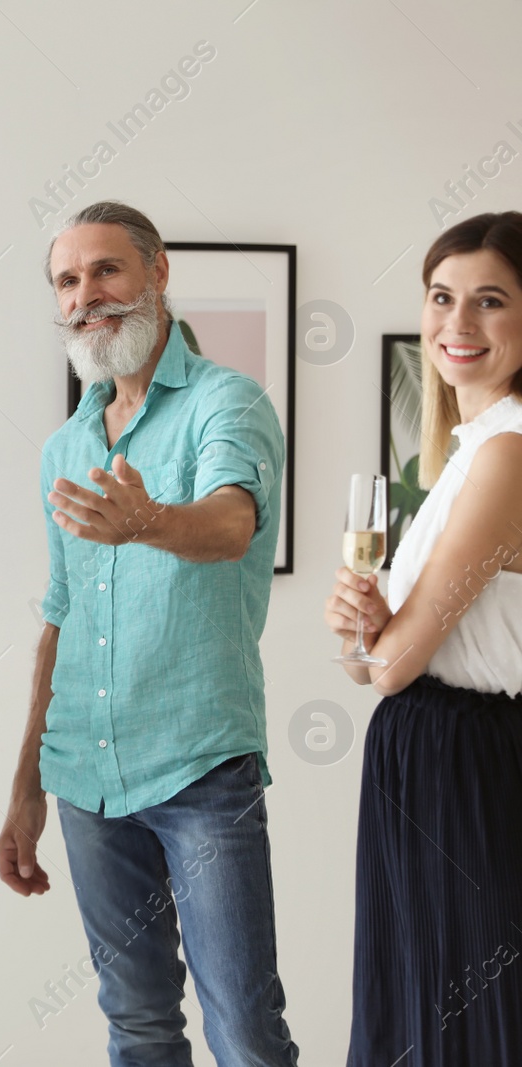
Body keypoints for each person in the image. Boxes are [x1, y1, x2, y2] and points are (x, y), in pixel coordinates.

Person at [0, 201, 299, 1065]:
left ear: (157, 273)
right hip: (86, 776)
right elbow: (59, 618)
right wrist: (27, 784)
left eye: (106, 271)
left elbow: (230, 523)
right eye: (67, 280)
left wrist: (146, 522)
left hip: (201, 764)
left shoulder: (226, 403)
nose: (86, 294)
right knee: (136, 1024)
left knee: (244, 1027)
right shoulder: (66, 447)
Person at [323, 211, 522, 1065]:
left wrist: (380, 643)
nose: (457, 324)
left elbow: (396, 664)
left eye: (490, 301)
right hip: (427, 754)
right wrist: (357, 626)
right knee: (424, 1006)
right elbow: (374, 661)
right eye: (442, 298)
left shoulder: (508, 453)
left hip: (462, 763)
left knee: (457, 1017)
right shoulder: (466, 449)